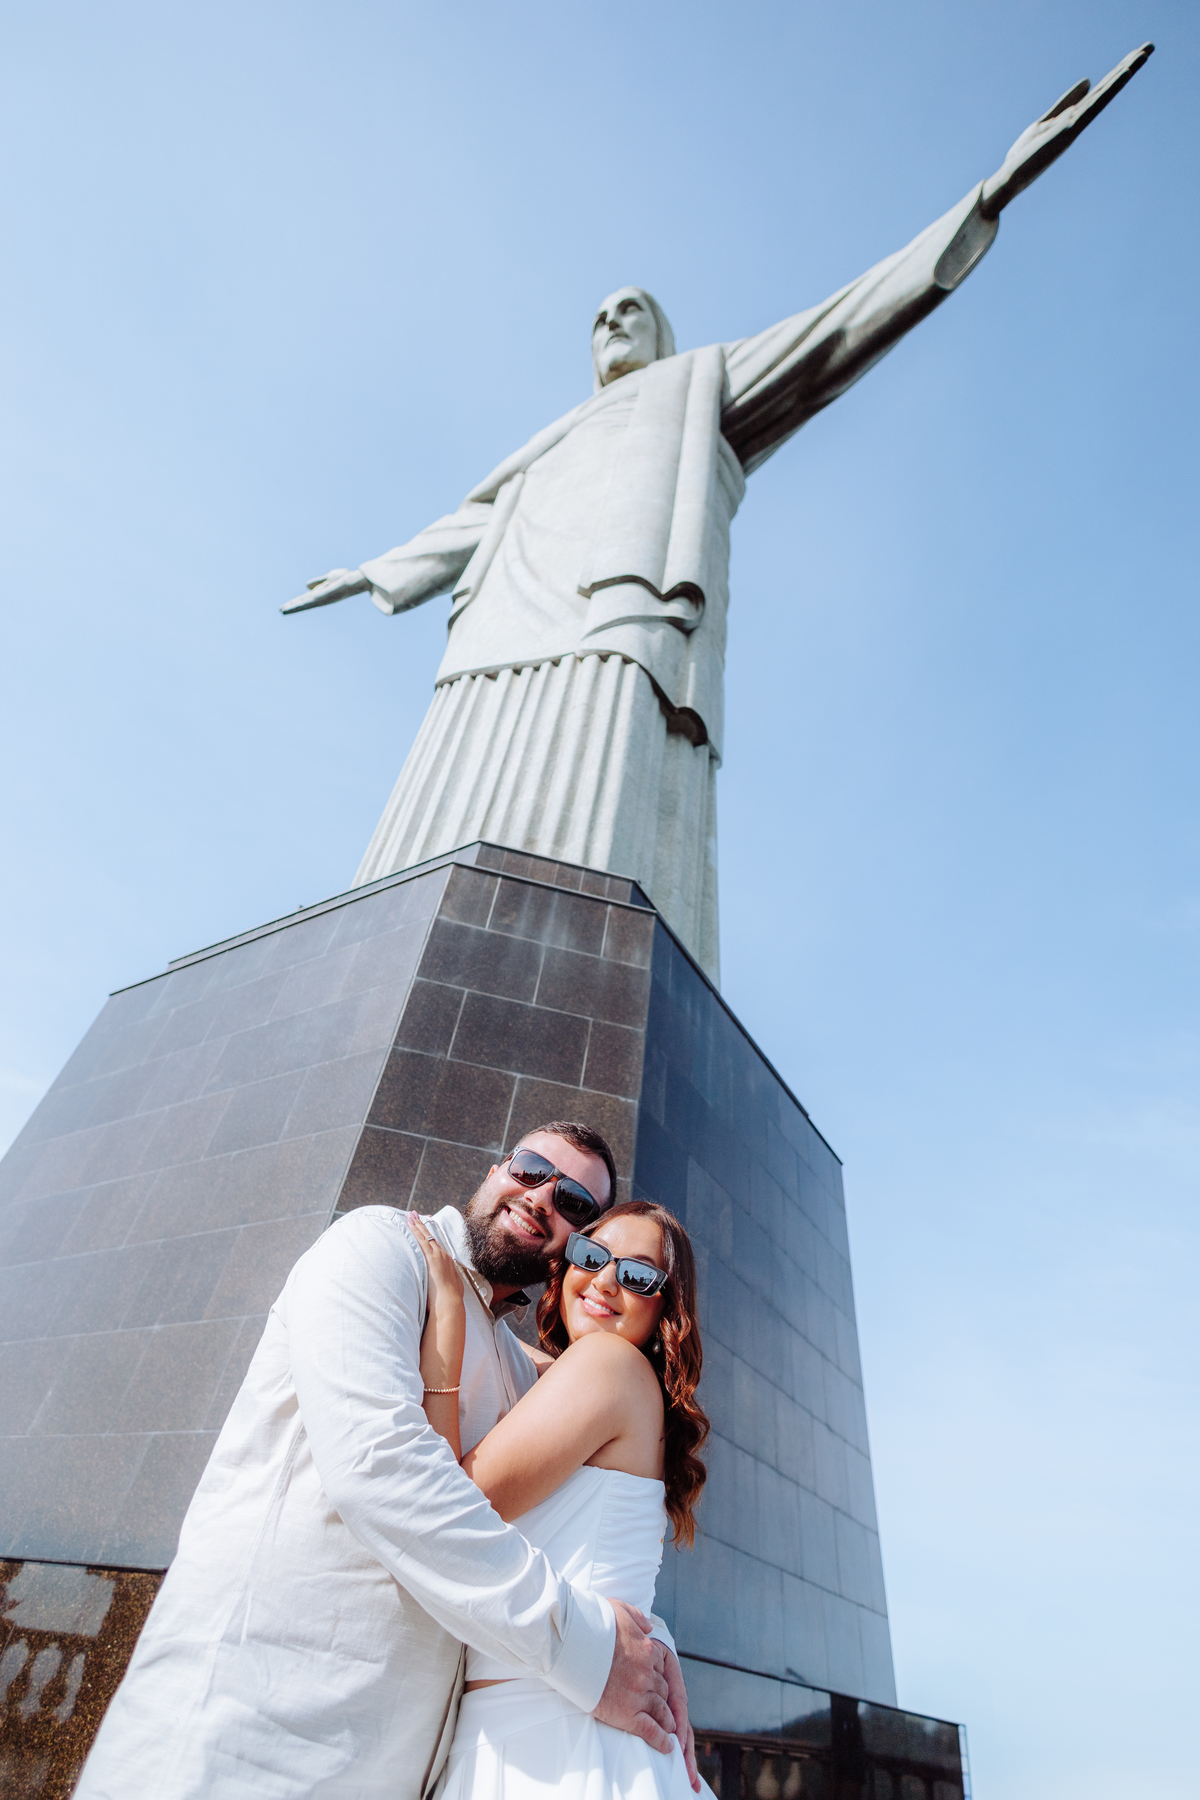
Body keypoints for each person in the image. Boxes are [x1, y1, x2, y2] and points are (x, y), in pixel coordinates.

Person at [283, 46, 1152, 984]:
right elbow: (468, 526)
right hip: (496, 630)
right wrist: (373, 570)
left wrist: (987, 196)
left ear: (663, 335)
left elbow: (841, 327)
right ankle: (375, 977)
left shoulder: (701, 386)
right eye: (600, 317)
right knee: (448, 801)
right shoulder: (547, 444)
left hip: (620, 607)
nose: (613, 321)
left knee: (596, 797)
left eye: (633, 309)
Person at [75, 1122, 696, 1800]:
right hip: (246, 1732)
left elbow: (585, 1517)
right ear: (495, 1169)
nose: (544, 1195)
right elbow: (383, 1473)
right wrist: (596, 1648)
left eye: (576, 1202)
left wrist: (645, 1648)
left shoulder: (532, 1373)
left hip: (408, 1763)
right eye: (530, 1168)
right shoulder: (382, 1247)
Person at [407, 1196, 713, 1800]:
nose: (604, 1281)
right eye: (592, 1255)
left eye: (638, 1275)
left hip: (559, 1742)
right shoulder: (586, 1377)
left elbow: (452, 1506)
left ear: (667, 1310)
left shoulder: (607, 1365)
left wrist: (449, 1316)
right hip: (542, 1727)